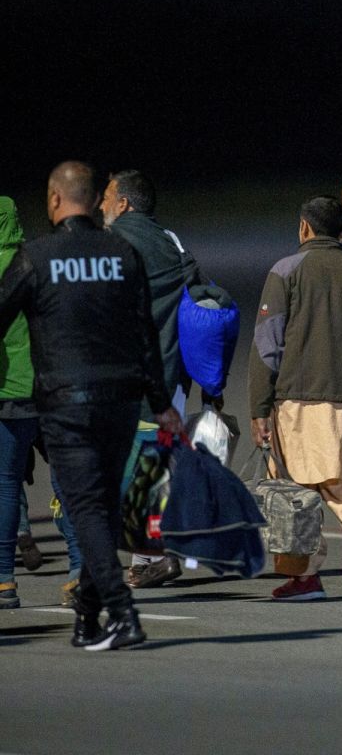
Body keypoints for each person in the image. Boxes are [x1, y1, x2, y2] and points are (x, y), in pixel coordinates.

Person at [0, 161, 184, 650]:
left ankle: (122, 614)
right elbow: (146, 334)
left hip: (67, 405)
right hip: (121, 404)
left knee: (86, 509)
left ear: (56, 200)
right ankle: (87, 615)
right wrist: (161, 403)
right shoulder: (121, 252)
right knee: (100, 508)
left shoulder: (36, 258)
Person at [248, 195, 342, 602]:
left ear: (304, 228)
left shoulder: (286, 271)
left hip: (300, 400)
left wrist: (259, 406)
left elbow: (268, 346)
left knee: (296, 490)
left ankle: (305, 577)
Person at [101, 169, 200, 589]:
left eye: (106, 197)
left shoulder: (109, 243)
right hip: (171, 379)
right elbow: (200, 300)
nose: (100, 205)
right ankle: (151, 557)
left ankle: (151, 552)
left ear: (123, 203)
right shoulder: (172, 241)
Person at [0, 196, 38, 609]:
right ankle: (80, 573)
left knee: (6, 481)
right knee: (65, 482)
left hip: (8, 391)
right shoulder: (38, 261)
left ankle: (4, 580)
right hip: (51, 392)